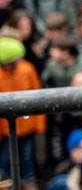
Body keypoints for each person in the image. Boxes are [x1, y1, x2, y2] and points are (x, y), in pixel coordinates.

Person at [0, 37, 44, 189]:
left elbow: (38, 95)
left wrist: (40, 125)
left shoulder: (27, 69)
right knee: (6, 158)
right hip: (5, 129)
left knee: (26, 157)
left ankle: (28, 182)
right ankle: (7, 184)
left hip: (27, 126)